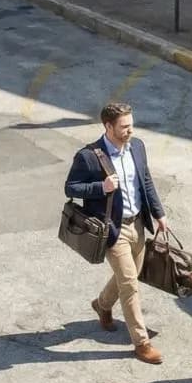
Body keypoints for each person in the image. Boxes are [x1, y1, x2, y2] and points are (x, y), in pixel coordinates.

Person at [65, 102, 168, 364]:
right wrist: (102, 186)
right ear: (108, 126)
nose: (129, 131)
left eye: (131, 125)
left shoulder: (137, 146)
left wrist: (159, 213)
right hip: (113, 229)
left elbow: (145, 180)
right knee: (130, 284)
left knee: (128, 276)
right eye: (123, 127)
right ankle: (141, 343)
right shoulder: (89, 156)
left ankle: (102, 304)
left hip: (137, 224)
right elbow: (71, 187)